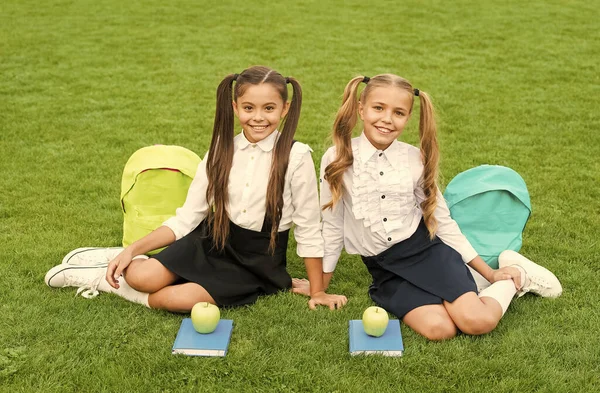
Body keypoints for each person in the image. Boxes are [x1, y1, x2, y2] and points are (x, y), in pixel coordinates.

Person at [45, 66, 348, 312]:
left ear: (285, 109)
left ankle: (99, 280)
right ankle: (116, 258)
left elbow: (308, 228)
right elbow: (188, 217)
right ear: (235, 107)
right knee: (141, 275)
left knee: (176, 299)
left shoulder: (297, 157)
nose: (258, 117)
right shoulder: (221, 148)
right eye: (248, 107)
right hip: (212, 241)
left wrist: (318, 290)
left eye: (269, 108)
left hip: (256, 263)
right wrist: (133, 249)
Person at [293, 74, 561, 340]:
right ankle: (468, 287)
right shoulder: (336, 158)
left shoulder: (413, 159)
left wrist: (490, 272)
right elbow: (332, 225)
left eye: (398, 112)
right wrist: (320, 288)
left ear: (408, 118)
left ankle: (516, 278)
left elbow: (442, 221)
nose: (387, 119)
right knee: (440, 330)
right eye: (378, 108)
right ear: (361, 109)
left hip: (426, 253)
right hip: (385, 268)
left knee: (476, 321)